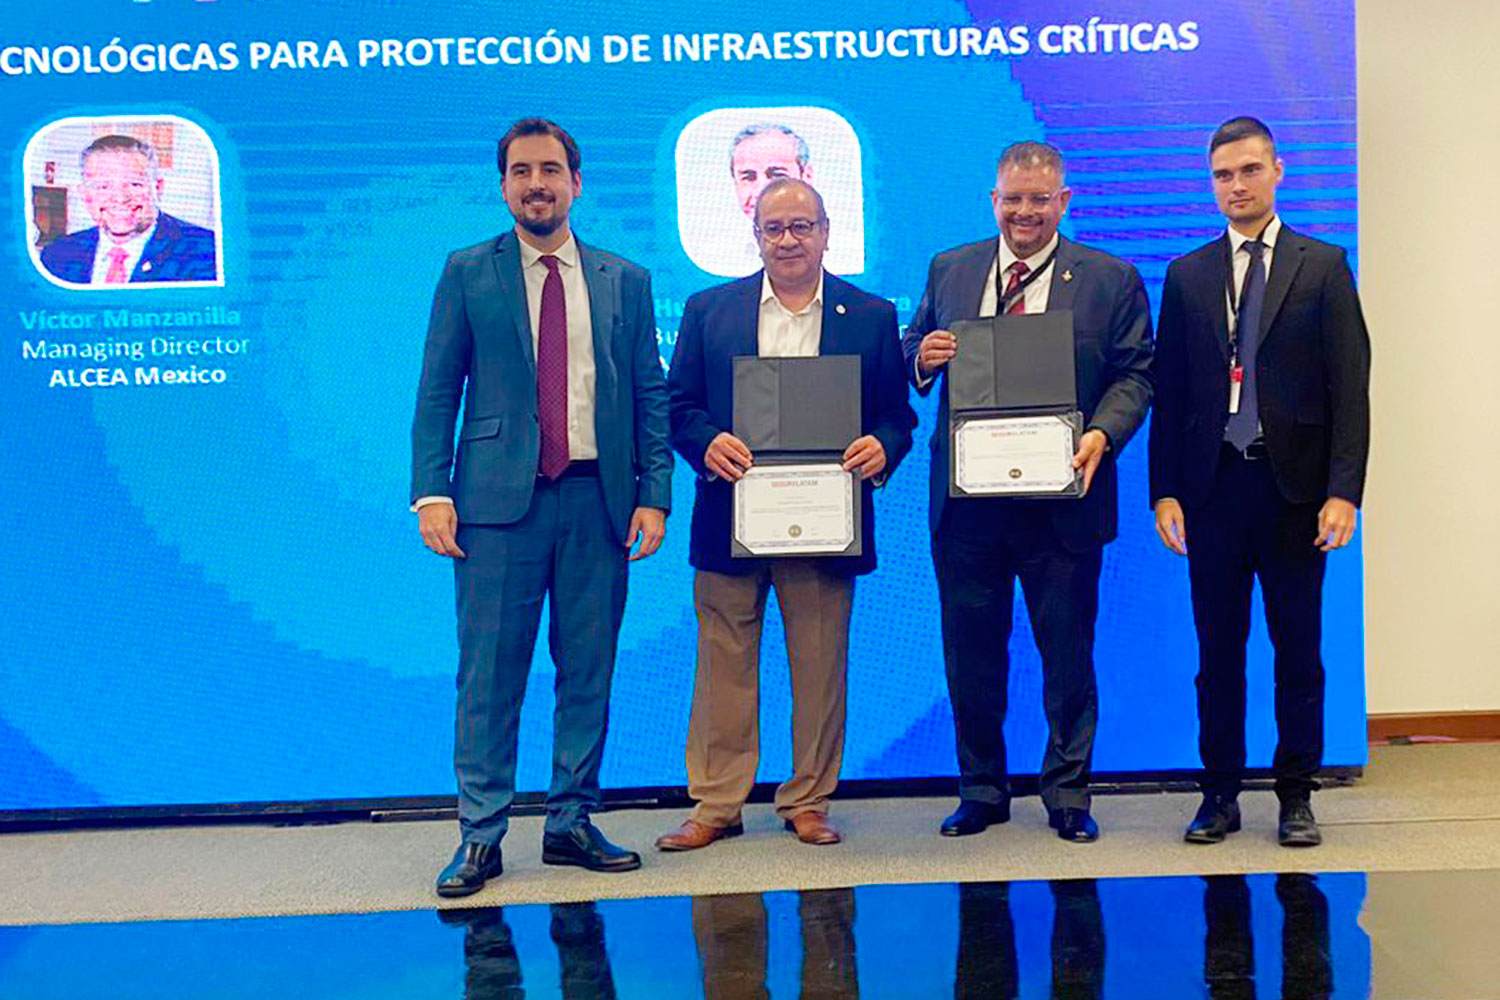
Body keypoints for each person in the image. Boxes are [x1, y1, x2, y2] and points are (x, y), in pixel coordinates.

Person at [411, 117, 673, 896]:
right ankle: (481, 834)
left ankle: (570, 821)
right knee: (489, 674)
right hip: (493, 508)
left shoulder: (623, 278)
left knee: (587, 669)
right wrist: (432, 491)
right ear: (503, 186)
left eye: (551, 170)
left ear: (576, 183)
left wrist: (655, 496)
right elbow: (437, 390)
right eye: (522, 171)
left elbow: (649, 396)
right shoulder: (467, 271)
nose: (537, 184)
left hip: (598, 500)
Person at [903, 141, 1153, 843]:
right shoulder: (951, 268)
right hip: (969, 505)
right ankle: (981, 790)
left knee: (1067, 654)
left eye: (1039, 200)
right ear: (994, 201)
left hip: (1063, 503)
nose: (1024, 213)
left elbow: (1137, 374)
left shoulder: (1109, 279)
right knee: (971, 653)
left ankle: (1068, 793)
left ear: (1063, 203)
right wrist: (921, 356)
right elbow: (914, 343)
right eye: (1012, 199)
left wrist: (1103, 435)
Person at [658, 177, 915, 850]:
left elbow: (898, 415)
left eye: (802, 226)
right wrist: (704, 441)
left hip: (827, 521)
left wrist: (881, 447)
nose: (789, 239)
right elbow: (677, 404)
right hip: (729, 517)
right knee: (722, 663)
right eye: (775, 228)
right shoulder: (709, 309)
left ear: (827, 232)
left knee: (820, 663)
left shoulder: (871, 315)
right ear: (756, 234)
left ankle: (808, 799)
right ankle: (717, 803)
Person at [1149, 117, 1370, 848]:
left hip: (1295, 493)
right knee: (1218, 655)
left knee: (1297, 651)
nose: (1236, 186)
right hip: (1213, 491)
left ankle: (1296, 794)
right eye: (1222, 175)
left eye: (1248, 171)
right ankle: (1219, 795)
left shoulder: (1323, 265)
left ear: (1278, 172)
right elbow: (1171, 392)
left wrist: (1346, 491)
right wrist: (1165, 490)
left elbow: (1351, 386)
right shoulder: (1187, 275)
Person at [39, 134, 217, 285]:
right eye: (103, 186)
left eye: (135, 184)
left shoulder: (207, 251)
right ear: (84, 194)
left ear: (158, 188)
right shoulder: (57, 255)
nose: (120, 198)